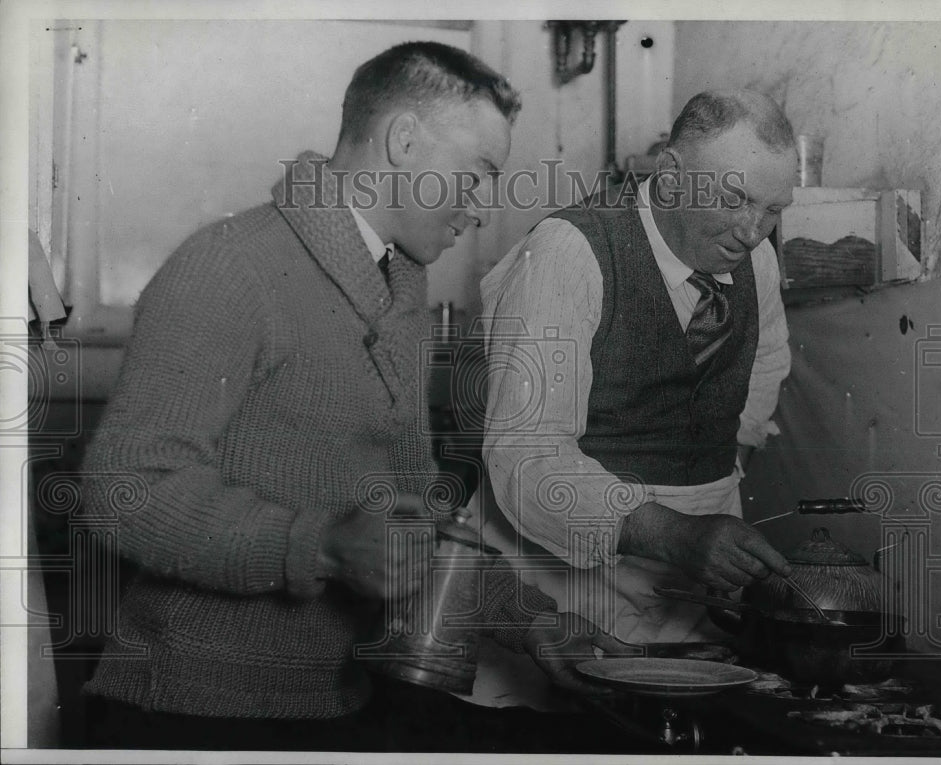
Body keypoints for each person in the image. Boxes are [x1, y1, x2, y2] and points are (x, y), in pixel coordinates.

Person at [79, 41, 630, 753]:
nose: (481, 206)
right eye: (477, 173)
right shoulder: (228, 264)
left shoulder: (397, 285)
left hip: (339, 699)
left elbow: (416, 526)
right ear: (403, 141)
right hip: (193, 713)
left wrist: (531, 619)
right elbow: (123, 489)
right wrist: (322, 547)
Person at [477, 90, 797, 673]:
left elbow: (763, 374)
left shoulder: (758, 261)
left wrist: (710, 487)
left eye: (774, 210)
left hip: (687, 604)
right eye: (735, 199)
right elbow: (527, 456)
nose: (753, 231)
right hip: (560, 592)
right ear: (672, 176)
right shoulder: (568, 252)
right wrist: (676, 532)